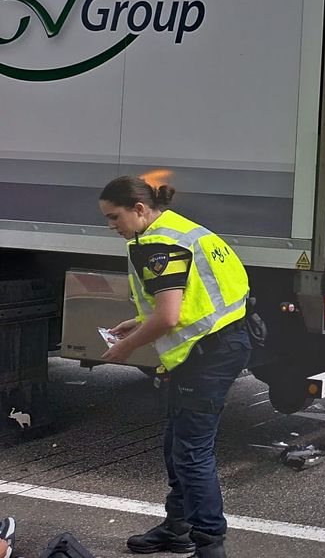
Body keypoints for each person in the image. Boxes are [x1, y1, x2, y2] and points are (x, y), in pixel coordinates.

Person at [98, 177, 251, 558]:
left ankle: (209, 545)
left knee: (192, 453)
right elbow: (188, 297)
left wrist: (126, 349)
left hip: (207, 356)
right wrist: (139, 320)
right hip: (223, 343)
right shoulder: (180, 228)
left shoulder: (157, 244)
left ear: (139, 209)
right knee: (178, 445)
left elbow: (168, 317)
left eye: (114, 217)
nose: (111, 226)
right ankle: (177, 527)